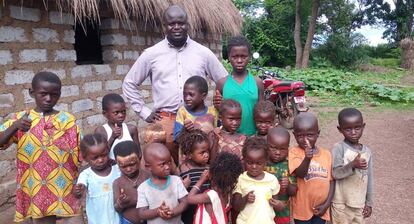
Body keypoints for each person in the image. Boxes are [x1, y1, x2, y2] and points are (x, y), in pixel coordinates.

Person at [122, 5, 228, 163]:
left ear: (188, 25)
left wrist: (221, 104)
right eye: (171, 24)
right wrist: (144, 111)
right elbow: (129, 84)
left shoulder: (203, 53)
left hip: (197, 124)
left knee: (199, 168)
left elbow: (224, 81)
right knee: (165, 172)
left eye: (181, 23)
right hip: (165, 123)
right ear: (164, 26)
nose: (176, 27)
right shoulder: (151, 54)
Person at [0, 71, 83, 223]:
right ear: (32, 93)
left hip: (65, 185)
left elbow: (81, 151)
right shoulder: (20, 119)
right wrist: (15, 127)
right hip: (37, 188)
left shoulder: (67, 120)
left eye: (54, 94)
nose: (49, 99)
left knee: (74, 219)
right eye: (43, 94)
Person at [288, 112, 334, 224]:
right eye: (300, 136)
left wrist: (327, 204)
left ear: (317, 133)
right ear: (294, 135)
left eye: (310, 135)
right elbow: (300, 174)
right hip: (301, 210)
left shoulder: (326, 154)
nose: (305, 140)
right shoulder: (294, 153)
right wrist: (307, 158)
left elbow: (332, 181)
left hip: (321, 208)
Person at [214, 35, 264, 136]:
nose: (239, 60)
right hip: (229, 138)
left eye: (243, 56)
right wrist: (218, 106)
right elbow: (219, 113)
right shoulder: (222, 83)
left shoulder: (257, 83)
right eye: (235, 57)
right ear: (229, 57)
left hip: (252, 136)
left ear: (249, 57)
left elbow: (262, 111)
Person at [331, 108, 373, 224]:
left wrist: (369, 203)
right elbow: (335, 173)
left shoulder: (367, 152)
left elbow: (369, 178)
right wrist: (352, 165)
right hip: (341, 204)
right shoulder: (338, 148)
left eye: (357, 128)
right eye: (348, 129)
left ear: (363, 127)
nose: (353, 132)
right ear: (340, 129)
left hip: (359, 203)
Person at [232, 137, 285, 223]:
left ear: (265, 161)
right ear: (244, 160)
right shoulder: (240, 179)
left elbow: (277, 204)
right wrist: (245, 199)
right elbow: (236, 207)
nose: (254, 166)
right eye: (250, 162)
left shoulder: (272, 179)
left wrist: (279, 205)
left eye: (259, 163)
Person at [74, 133, 121, 224]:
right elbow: (78, 192)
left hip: (118, 220)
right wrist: (78, 191)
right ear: (85, 158)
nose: (100, 160)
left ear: (108, 151)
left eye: (103, 155)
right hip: (97, 220)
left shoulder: (117, 169)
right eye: (95, 158)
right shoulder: (86, 175)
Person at [137, 143, 188, 224]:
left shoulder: (176, 181)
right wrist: (157, 211)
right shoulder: (143, 188)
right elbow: (142, 213)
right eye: (162, 164)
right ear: (148, 167)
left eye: (169, 162)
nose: (167, 167)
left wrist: (173, 212)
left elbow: (184, 202)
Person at [188, 152, 243, 224]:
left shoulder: (211, 195)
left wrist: (201, 180)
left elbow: (190, 199)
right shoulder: (229, 193)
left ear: (212, 175)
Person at [176, 129, 210, 224]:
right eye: (202, 152)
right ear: (190, 155)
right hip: (190, 211)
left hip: (205, 211)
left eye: (207, 151)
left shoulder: (209, 168)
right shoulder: (184, 169)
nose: (206, 155)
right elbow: (178, 191)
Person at [265, 127, 298, 224]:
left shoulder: (289, 165)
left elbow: (293, 191)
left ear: (288, 148)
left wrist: (288, 185)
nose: (278, 153)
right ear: (267, 146)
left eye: (282, 149)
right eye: (273, 148)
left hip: (282, 213)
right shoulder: (261, 163)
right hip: (262, 211)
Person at [112, 141, 150, 224]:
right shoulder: (118, 183)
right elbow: (117, 208)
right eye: (123, 166)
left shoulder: (148, 176)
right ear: (117, 163)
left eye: (132, 164)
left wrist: (133, 200)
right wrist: (120, 203)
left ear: (139, 157)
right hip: (128, 221)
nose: (128, 169)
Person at [95, 93, 140, 160]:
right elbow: (100, 155)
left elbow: (138, 153)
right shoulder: (101, 131)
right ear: (105, 113)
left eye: (123, 111)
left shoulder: (131, 129)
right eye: (116, 113)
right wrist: (112, 138)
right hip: (112, 169)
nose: (121, 115)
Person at [173, 76, 219, 141]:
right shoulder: (182, 112)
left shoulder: (213, 112)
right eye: (184, 94)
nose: (187, 98)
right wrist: (184, 130)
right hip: (188, 151)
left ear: (203, 96)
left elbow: (219, 133)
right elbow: (176, 139)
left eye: (191, 95)